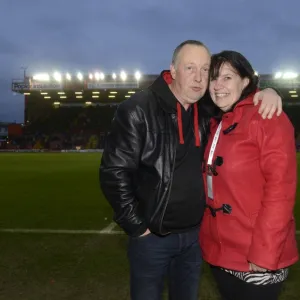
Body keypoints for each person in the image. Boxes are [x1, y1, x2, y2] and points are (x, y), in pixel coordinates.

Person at [99, 40, 282, 300]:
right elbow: (113, 172)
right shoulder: (139, 108)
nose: (198, 78)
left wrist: (267, 92)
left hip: (196, 237)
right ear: (173, 70)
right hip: (152, 238)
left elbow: (240, 100)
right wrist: (138, 228)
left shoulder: (207, 109)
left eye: (205, 70)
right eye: (190, 68)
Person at [199, 50, 298, 300]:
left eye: (227, 77)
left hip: (256, 257)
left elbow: (280, 191)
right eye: (213, 78)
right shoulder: (218, 123)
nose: (217, 85)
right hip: (221, 254)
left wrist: (264, 253)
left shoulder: (267, 117)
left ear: (245, 82)